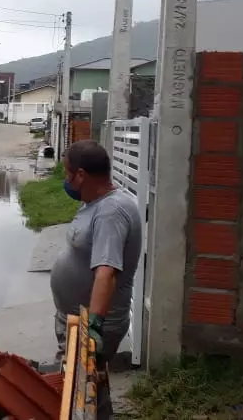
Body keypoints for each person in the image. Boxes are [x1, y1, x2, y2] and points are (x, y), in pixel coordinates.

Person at [49, 140, 142, 420]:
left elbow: (106, 272)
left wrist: (94, 329)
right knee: (93, 389)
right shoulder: (97, 203)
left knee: (80, 397)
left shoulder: (111, 212)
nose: (66, 180)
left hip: (91, 325)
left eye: (67, 174)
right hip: (77, 318)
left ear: (81, 175)